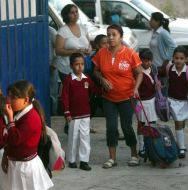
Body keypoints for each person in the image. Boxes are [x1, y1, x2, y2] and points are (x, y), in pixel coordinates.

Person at [93, 24, 143, 169]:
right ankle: (112, 158)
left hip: (127, 97)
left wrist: (135, 88)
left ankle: (134, 155)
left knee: (126, 126)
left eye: (114, 34)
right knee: (111, 127)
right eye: (108, 34)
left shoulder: (129, 53)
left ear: (120, 36)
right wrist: (102, 80)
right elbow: (95, 71)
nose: (110, 37)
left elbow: (139, 73)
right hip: (108, 98)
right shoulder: (101, 53)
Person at [1, 80, 53, 190]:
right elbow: (9, 140)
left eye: (13, 98)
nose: (9, 101)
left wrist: (10, 119)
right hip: (16, 165)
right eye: (9, 96)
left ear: (25, 100)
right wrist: (6, 155)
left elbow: (15, 139)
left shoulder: (31, 118)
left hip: (25, 168)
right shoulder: (19, 112)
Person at [61, 52, 101, 171]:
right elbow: (65, 97)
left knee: (85, 137)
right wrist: (67, 112)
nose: (80, 67)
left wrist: (104, 88)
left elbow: (94, 90)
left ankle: (84, 161)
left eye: (82, 64)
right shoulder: (68, 80)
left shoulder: (87, 78)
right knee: (73, 137)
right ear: (71, 65)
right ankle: (72, 160)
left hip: (85, 114)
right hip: (73, 115)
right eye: (77, 64)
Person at [160, 46, 188, 158]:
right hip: (172, 101)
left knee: (182, 123)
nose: (178, 60)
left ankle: (180, 142)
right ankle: (181, 148)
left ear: (186, 59)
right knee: (178, 122)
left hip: (185, 103)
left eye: (181, 58)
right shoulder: (169, 68)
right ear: (173, 58)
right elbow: (162, 77)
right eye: (176, 58)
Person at [55, 4, 92, 82]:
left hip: (83, 66)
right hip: (67, 68)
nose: (75, 14)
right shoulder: (62, 31)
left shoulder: (83, 27)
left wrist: (89, 50)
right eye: (72, 12)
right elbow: (58, 51)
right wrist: (76, 51)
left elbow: (89, 44)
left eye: (76, 12)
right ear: (66, 15)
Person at [136, 49, 158, 157]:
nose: (148, 63)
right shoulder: (137, 72)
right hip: (140, 103)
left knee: (152, 124)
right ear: (140, 60)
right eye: (145, 61)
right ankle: (141, 147)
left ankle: (151, 145)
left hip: (152, 101)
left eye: (150, 60)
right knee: (141, 125)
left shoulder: (153, 69)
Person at [149, 12, 176, 96]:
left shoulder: (162, 33)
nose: (149, 21)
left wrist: (166, 62)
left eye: (151, 19)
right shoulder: (154, 32)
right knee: (157, 93)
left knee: (162, 94)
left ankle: (164, 109)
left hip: (161, 68)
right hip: (155, 67)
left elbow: (173, 46)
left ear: (157, 22)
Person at [49, 26, 59, 116]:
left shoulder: (51, 31)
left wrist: (54, 64)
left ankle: (53, 112)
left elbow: (58, 49)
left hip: (50, 67)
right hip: (37, 66)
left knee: (52, 93)